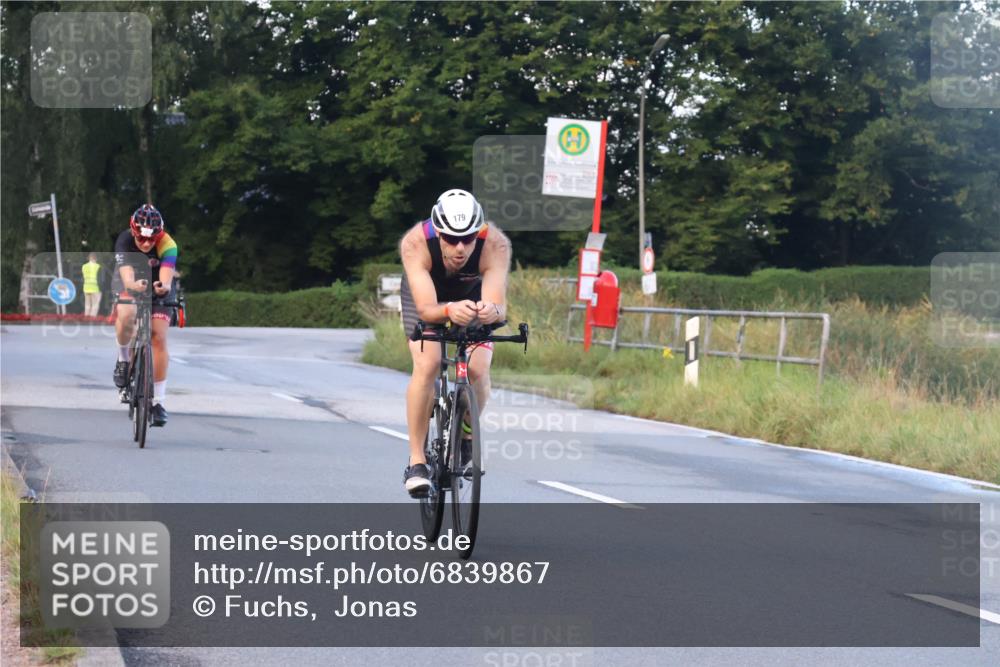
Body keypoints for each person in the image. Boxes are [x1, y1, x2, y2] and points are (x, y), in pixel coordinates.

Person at [398, 189, 511, 497]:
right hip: (426, 299)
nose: (460, 247)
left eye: (469, 238)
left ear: (480, 232)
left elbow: (498, 306)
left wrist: (490, 311)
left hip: (472, 297)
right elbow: (426, 309)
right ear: (438, 231)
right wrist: (448, 310)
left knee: (478, 369)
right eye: (450, 239)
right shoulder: (415, 242)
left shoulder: (496, 244)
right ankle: (417, 462)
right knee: (429, 363)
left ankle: (466, 436)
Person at [112, 204, 179, 427]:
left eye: (152, 239)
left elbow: (167, 275)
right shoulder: (125, 240)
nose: (147, 244)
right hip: (131, 278)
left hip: (157, 280)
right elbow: (128, 277)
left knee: (158, 336)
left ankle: (158, 402)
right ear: (134, 231)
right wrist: (133, 286)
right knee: (127, 312)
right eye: (142, 238)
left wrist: (164, 287)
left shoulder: (168, 243)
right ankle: (123, 359)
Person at [81, 252, 102, 317]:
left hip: (86, 287)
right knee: (95, 304)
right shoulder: (98, 266)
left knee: (87, 304)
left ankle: (86, 317)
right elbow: (100, 279)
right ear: (96, 258)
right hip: (96, 288)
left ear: (89, 258)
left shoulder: (84, 266)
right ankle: (92, 319)